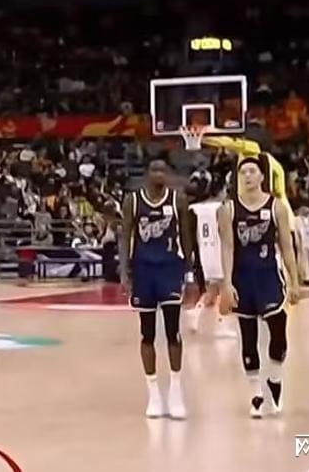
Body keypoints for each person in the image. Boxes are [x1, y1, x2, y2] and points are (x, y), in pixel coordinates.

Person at [218, 156, 300, 419]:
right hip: (242, 278)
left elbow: (287, 246)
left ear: (262, 176)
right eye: (243, 172)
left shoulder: (277, 207)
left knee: (278, 330)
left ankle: (274, 379)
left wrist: (295, 280)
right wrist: (227, 283)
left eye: (252, 171)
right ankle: (256, 394)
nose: (248, 176)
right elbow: (227, 248)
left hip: (268, 276)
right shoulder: (229, 209)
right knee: (248, 336)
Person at [120, 155, 193, 419]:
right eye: (155, 170)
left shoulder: (178, 200)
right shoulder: (133, 201)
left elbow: (187, 237)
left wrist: (190, 273)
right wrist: (124, 271)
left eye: (163, 170)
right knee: (147, 333)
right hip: (143, 271)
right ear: (148, 174)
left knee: (173, 332)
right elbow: (125, 236)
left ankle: (176, 390)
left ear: (168, 174)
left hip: (170, 269)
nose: (159, 174)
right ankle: (153, 393)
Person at [188, 181, 235, 339]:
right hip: (218, 251)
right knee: (223, 289)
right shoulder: (222, 208)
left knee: (212, 291)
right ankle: (223, 324)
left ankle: (195, 314)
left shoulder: (196, 208)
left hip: (204, 252)